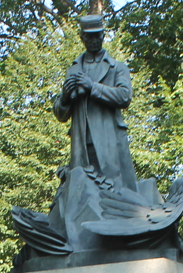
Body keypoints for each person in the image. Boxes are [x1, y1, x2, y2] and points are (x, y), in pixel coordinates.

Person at [53, 14, 138, 192]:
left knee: (116, 191)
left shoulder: (117, 68)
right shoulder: (73, 70)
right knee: (83, 192)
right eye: (89, 36)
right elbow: (61, 115)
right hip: (82, 142)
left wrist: (93, 87)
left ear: (103, 35)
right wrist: (65, 98)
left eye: (97, 35)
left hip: (110, 141)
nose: (94, 40)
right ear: (82, 38)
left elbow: (124, 96)